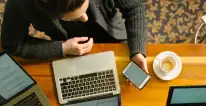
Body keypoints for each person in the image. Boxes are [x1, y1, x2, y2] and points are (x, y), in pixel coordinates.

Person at [1, 0, 148, 72]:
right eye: (74, 18)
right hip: (68, 48)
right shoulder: (21, 3)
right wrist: (62, 48)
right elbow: (12, 44)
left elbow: (135, 7)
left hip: (114, 35)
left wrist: (138, 50)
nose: (85, 18)